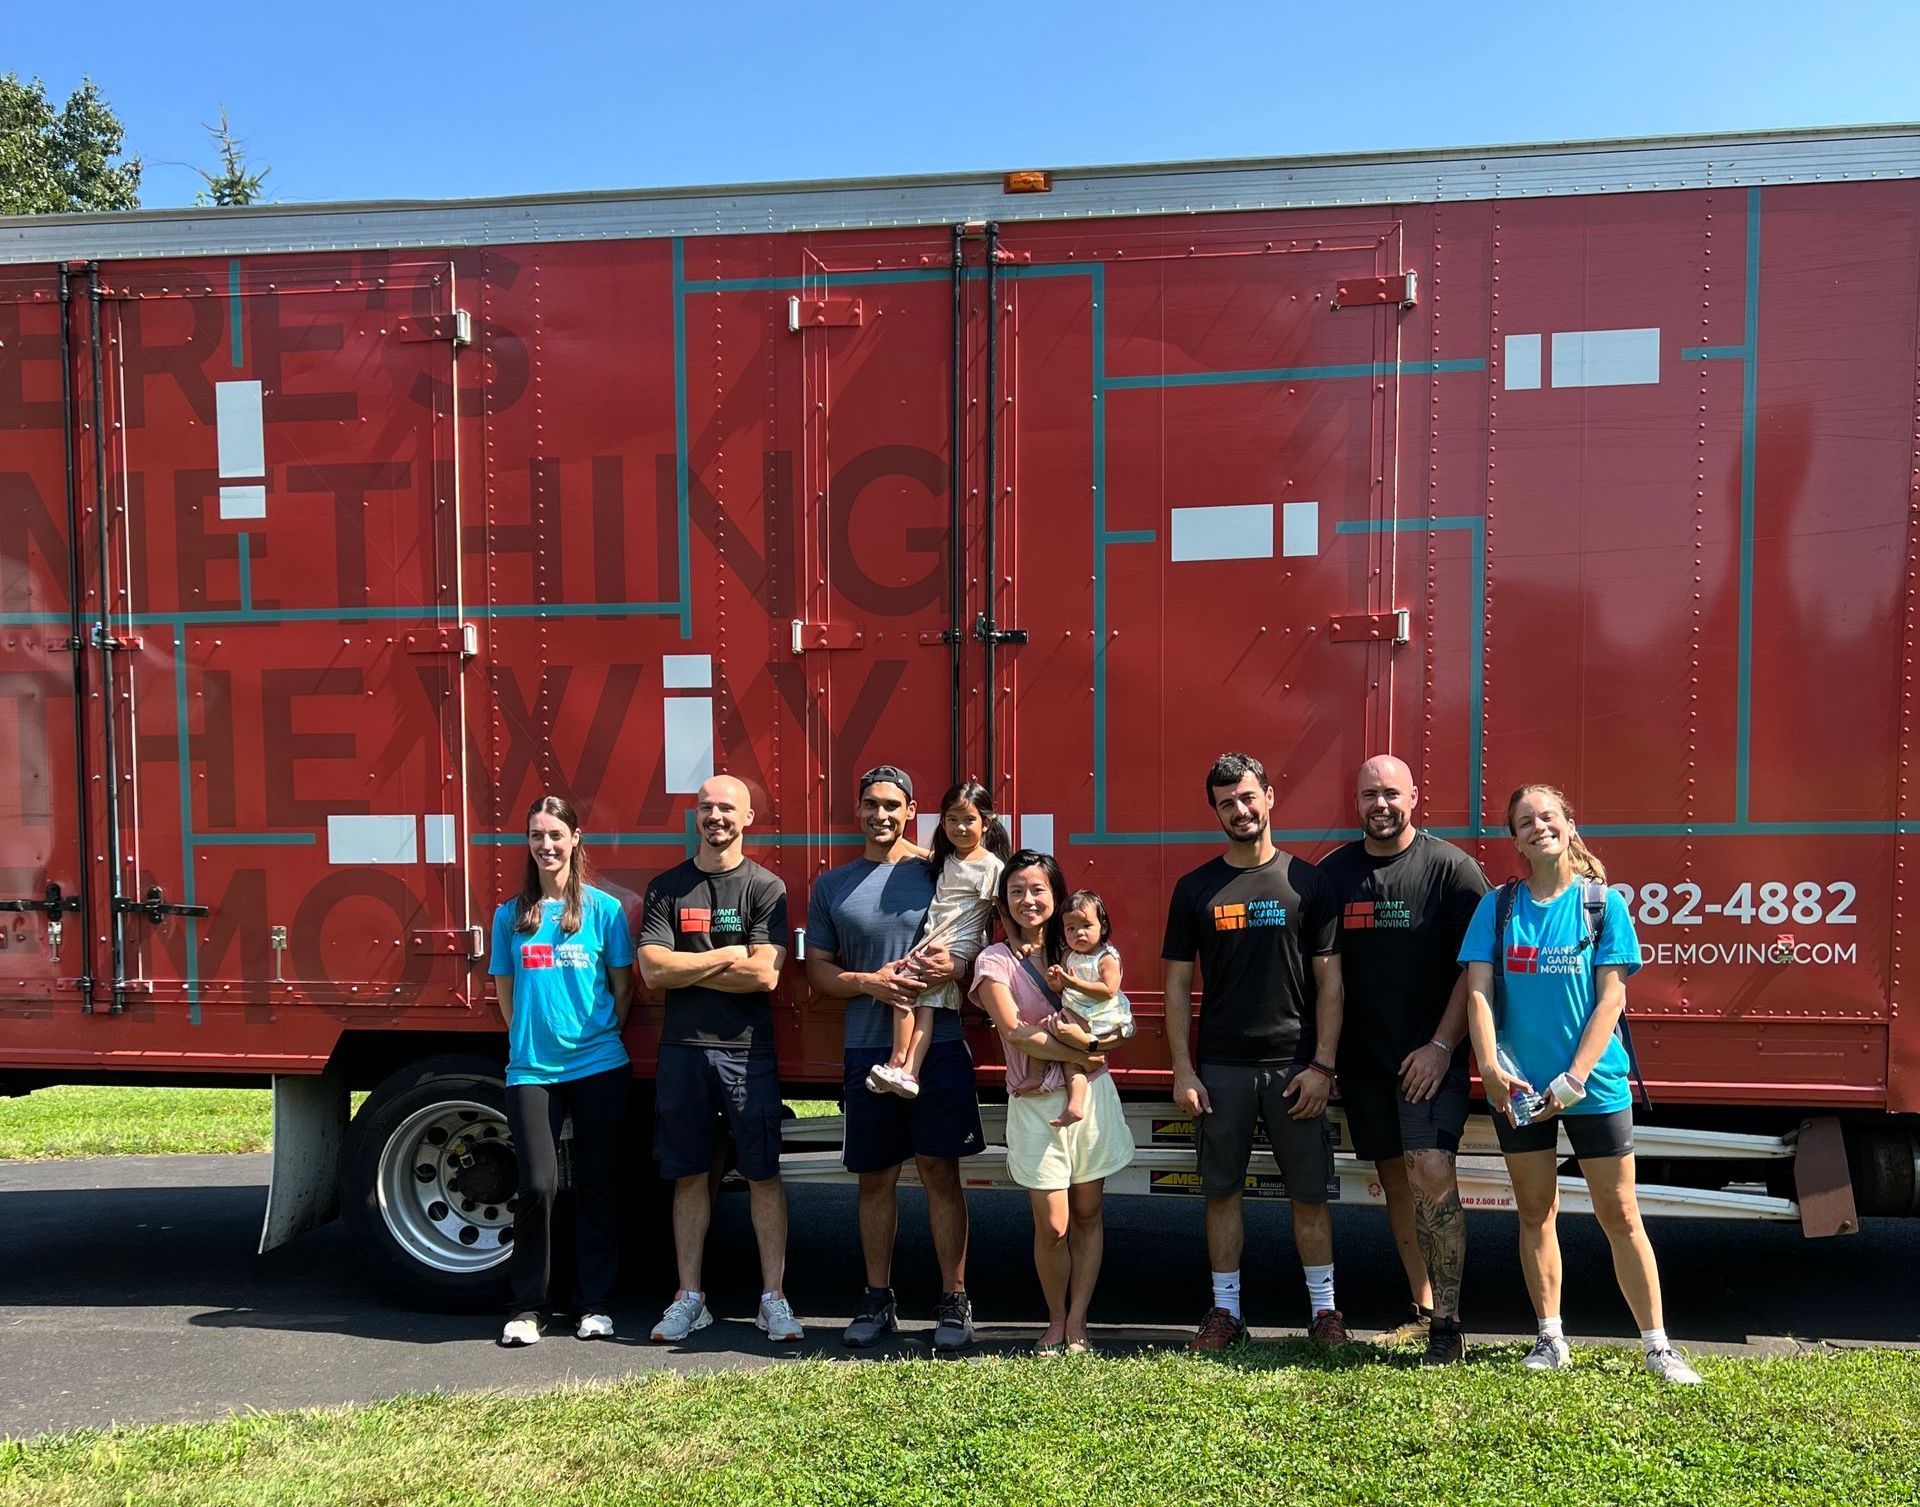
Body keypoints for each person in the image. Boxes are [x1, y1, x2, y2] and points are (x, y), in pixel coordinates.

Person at [1461, 783, 1704, 1386]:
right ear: (1513, 837)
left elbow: (1611, 999)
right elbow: (1478, 993)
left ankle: (1658, 1346)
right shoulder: (1497, 907)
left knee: (1620, 1213)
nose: (1537, 827)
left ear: (1569, 824)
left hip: (1593, 1087)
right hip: (1520, 1090)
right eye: (1524, 822)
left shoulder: (1602, 905)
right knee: (1535, 1213)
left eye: (1547, 817)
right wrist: (1489, 1065)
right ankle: (1549, 1338)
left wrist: (1574, 1079)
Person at [1163, 751, 1346, 1350]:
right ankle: (1225, 1315)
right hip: (1220, 1070)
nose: (1239, 811)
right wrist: (1184, 1069)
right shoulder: (1194, 889)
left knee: (1310, 1195)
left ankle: (1324, 1315)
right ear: (1214, 811)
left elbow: (1330, 984)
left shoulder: (1308, 883)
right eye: (1226, 803)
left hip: (1296, 1068)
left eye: (1247, 797)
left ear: (1269, 796)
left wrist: (1322, 1065)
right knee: (1221, 1193)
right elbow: (1175, 988)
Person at [804, 764, 985, 1352]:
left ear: (911, 812)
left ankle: (954, 1299)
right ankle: (876, 1297)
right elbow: (819, 974)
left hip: (942, 1046)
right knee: (875, 1178)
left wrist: (957, 967)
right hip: (866, 1049)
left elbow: (982, 938)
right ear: (857, 811)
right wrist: (867, 982)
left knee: (940, 1172)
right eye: (870, 805)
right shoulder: (831, 885)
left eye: (892, 806)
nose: (880, 815)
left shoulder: (941, 872)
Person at [1317, 755, 1488, 1364]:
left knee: (1429, 1170)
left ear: (1414, 797)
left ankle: (1448, 1325)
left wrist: (1442, 1046)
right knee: (1395, 1178)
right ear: (1355, 802)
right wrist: (1325, 1058)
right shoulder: (1333, 875)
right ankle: (1421, 1310)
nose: (1380, 805)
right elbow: (1322, 973)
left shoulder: (1452, 870)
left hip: (1431, 1059)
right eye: (1368, 795)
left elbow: (1477, 970)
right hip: (1364, 1064)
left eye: (1391, 793)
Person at [637, 774, 799, 1345]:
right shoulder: (668, 888)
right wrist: (730, 954)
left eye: (727, 808)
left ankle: (772, 1300)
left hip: (746, 1053)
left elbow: (765, 974)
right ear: (696, 816)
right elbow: (653, 972)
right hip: (683, 1052)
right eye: (706, 807)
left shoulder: (765, 887)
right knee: (688, 1176)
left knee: (763, 1174)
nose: (715, 817)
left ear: (748, 817)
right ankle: (689, 1298)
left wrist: (694, 966)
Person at [971, 852, 1136, 1353]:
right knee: (1054, 1223)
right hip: (1036, 1103)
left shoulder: (1079, 955)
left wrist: (1097, 1048)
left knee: (1088, 1214)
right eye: (1017, 891)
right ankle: (1055, 1316)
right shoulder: (993, 960)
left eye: (1039, 890)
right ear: (1004, 902)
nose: (1028, 900)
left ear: (1056, 896)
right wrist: (1087, 1050)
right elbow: (1018, 1036)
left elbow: (1115, 1017)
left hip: (1092, 1098)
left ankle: (1077, 1321)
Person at [488, 795, 635, 1347]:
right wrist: (529, 1036)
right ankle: (528, 1308)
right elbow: (505, 992)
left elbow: (623, 990)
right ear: (527, 844)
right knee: (538, 1186)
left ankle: (594, 1304)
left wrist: (598, 1035)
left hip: (598, 1065)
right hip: (531, 1070)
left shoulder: (603, 911)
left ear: (576, 838)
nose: (546, 845)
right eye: (535, 836)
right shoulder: (511, 915)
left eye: (555, 835)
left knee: (598, 1185)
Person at [867, 780, 1009, 1099]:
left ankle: (897, 1061)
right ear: (942, 822)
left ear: (987, 823)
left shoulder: (992, 866)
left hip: (953, 944)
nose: (959, 828)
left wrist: (1018, 946)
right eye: (952, 820)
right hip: (938, 940)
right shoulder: (948, 860)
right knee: (926, 1007)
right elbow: (923, 854)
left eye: (968, 820)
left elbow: (1005, 911)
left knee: (901, 988)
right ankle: (909, 1074)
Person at [1041, 888, 1133, 1128]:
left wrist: (1074, 983)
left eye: (1085, 925)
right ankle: (1075, 1104)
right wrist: (1056, 983)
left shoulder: (1106, 957)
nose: (1078, 933)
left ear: (1102, 927)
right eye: (1070, 928)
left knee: (1068, 1049)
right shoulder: (1068, 956)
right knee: (1061, 1051)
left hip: (1099, 1015)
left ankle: (1077, 1094)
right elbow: (1062, 989)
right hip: (1077, 1012)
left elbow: (1109, 990)